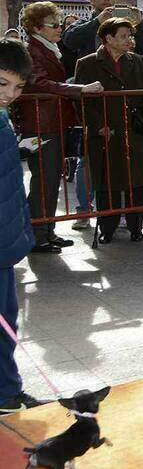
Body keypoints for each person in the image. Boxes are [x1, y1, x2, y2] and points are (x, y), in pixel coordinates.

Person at [16, 3, 102, 253]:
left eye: (60, 23)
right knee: (45, 181)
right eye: (54, 24)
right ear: (36, 27)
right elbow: (40, 83)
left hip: (52, 122)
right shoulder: (32, 50)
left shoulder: (47, 48)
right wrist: (78, 89)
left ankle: (47, 232)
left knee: (51, 181)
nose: (60, 28)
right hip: (41, 126)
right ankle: (38, 235)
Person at [73, 18, 143, 244]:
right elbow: (80, 101)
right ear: (108, 38)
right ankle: (107, 228)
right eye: (124, 36)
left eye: (130, 36)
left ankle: (136, 227)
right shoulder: (87, 63)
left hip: (134, 130)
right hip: (106, 131)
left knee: (138, 181)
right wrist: (97, 126)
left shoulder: (137, 60)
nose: (129, 40)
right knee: (107, 184)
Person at [0, 39, 45, 414]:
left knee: (6, 322)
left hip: (6, 240)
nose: (9, 95)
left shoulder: (1, 118)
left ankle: (6, 392)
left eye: (17, 88)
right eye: (2, 85)